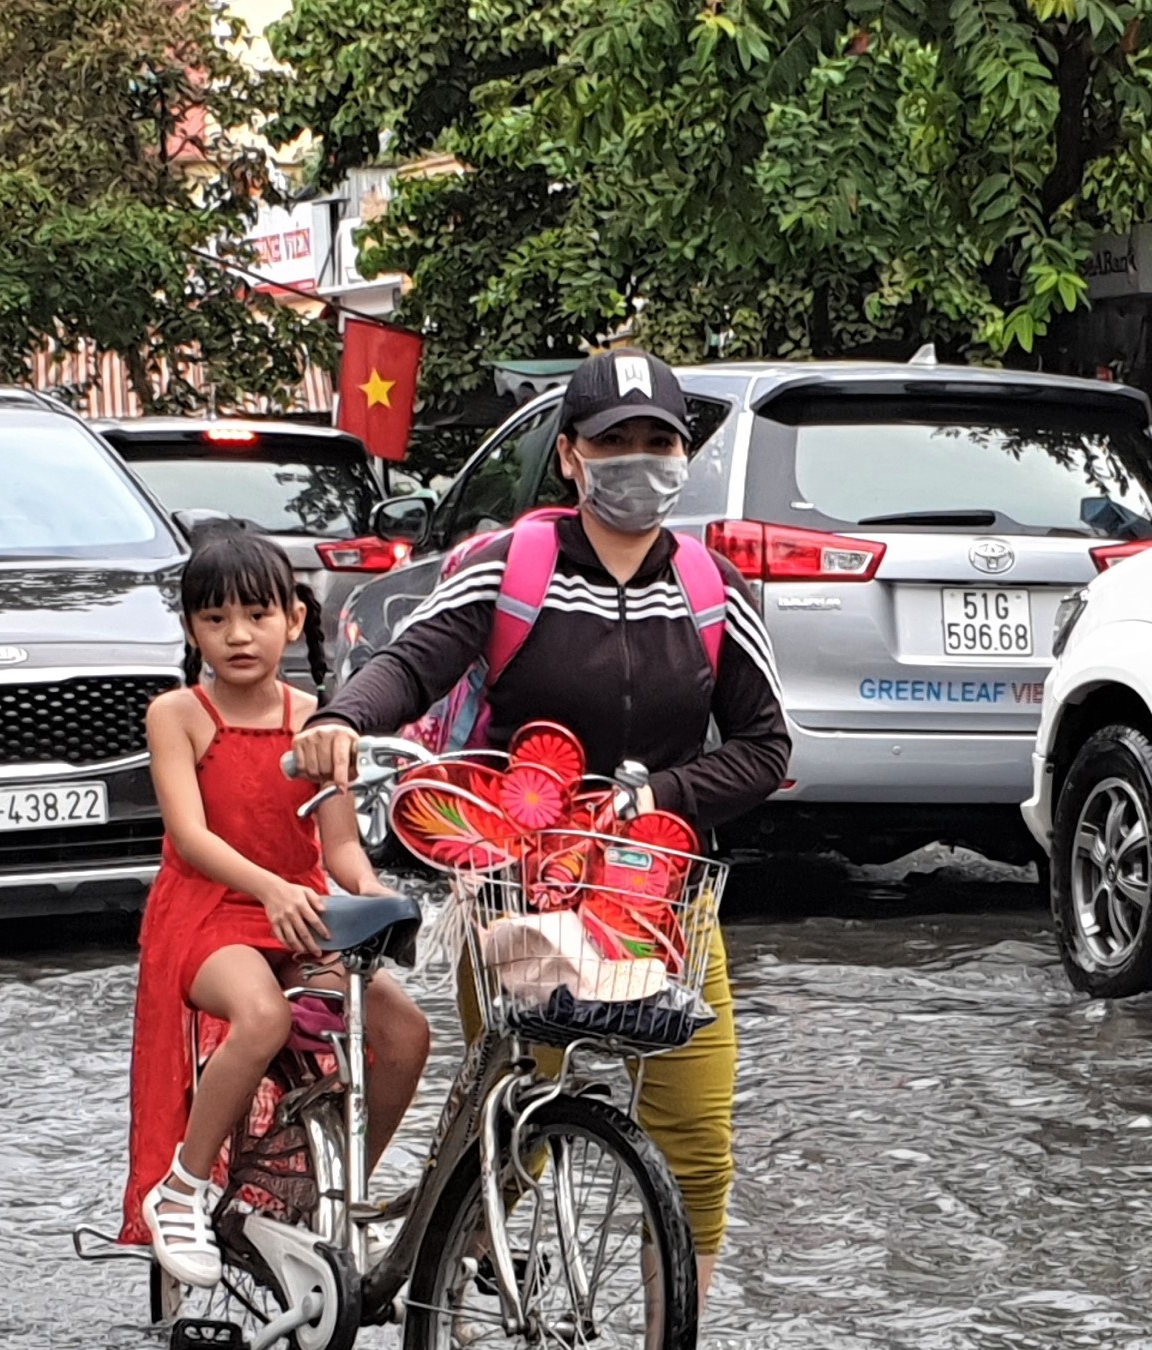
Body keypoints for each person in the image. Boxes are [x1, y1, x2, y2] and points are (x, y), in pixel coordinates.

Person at [293, 348, 789, 1301]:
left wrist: (660, 798)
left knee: (696, 1146)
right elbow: (413, 661)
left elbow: (766, 746)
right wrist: (341, 719)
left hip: (663, 897)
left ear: (684, 457)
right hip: (524, 892)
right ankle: (455, 1294)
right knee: (515, 1111)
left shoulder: (712, 588)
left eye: (658, 442)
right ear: (570, 455)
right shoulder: (509, 563)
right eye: (614, 443)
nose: (636, 462)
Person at [124, 525, 432, 1289]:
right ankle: (184, 1187)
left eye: (257, 616)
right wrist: (268, 886)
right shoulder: (178, 714)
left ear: (293, 620)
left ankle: (337, 1191)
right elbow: (189, 837)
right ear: (191, 628)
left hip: (299, 911)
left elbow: (339, 850)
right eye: (215, 619)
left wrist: (371, 892)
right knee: (259, 1015)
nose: (237, 635)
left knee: (403, 1029)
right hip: (208, 914)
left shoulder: (320, 718)